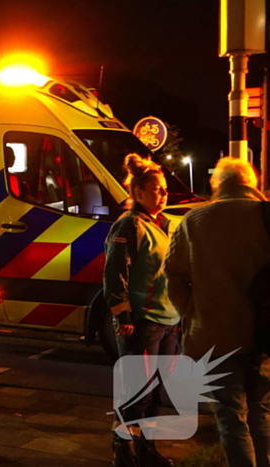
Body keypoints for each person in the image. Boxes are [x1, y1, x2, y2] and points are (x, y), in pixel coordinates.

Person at [165, 157, 270, 467]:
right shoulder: (266, 215)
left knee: (231, 420)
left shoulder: (195, 221)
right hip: (263, 336)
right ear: (251, 182)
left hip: (215, 337)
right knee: (262, 413)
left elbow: (174, 277)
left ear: (217, 185)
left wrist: (193, 313)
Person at [104, 154, 179, 467]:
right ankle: (125, 453)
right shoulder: (129, 225)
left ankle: (147, 450)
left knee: (154, 395)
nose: (162, 194)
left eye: (163, 189)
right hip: (144, 321)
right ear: (137, 193)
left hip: (168, 320)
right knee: (136, 394)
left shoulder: (163, 223)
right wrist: (123, 314)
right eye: (156, 189)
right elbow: (114, 273)